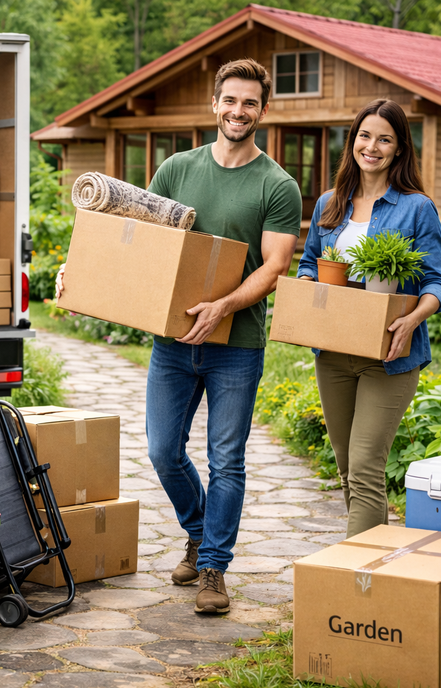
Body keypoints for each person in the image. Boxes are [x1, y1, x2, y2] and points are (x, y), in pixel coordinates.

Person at [60, 59, 302, 613]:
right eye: (230, 100)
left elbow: (274, 267)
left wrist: (223, 306)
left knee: (227, 459)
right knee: (164, 451)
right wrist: (80, 274)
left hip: (235, 347)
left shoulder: (276, 185)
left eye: (250, 103)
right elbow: (137, 242)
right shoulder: (176, 170)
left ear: (263, 110)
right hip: (172, 342)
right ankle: (198, 532)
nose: (238, 111)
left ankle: (214, 567)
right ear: (215, 105)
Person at [297, 98, 441, 539]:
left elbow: (436, 282)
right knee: (348, 467)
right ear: (353, 142)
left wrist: (412, 320)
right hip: (333, 351)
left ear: (400, 148)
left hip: (389, 352)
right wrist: (307, 284)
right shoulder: (330, 202)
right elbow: (310, 263)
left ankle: (353, 577)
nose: (373, 146)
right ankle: (374, 565)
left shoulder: (415, 207)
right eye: (365, 136)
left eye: (385, 139)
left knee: (365, 466)